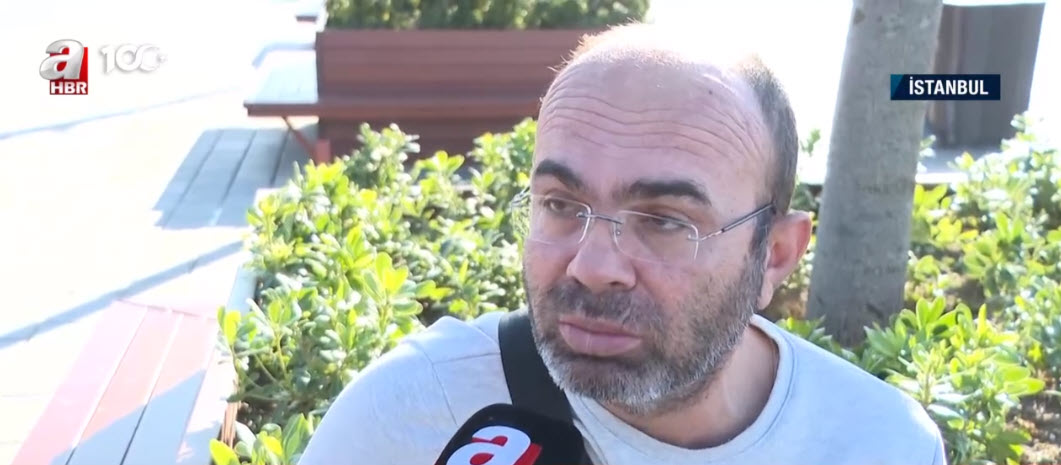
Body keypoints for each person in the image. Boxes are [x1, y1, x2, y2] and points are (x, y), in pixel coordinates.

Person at [297, 22, 947, 465]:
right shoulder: (408, 413)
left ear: (774, 254)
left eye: (664, 220)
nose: (592, 266)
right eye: (560, 204)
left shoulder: (881, 443)